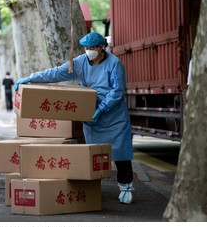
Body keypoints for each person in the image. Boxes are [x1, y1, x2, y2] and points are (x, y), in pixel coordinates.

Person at [14, 32, 134, 204]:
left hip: (114, 115)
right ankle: (93, 188)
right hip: (91, 114)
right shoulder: (80, 62)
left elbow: (117, 91)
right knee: (94, 153)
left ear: (101, 47)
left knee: (121, 152)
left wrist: (102, 108)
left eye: (92, 48)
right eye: (86, 48)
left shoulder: (114, 63)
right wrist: (31, 78)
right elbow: (57, 73)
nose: (89, 51)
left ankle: (126, 186)